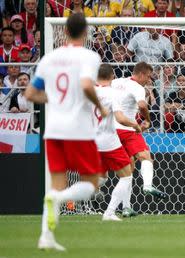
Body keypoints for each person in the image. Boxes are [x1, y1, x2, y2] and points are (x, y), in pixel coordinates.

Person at [24, 13, 107, 251]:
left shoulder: (49, 59)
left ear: (65, 31)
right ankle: (57, 200)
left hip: (53, 130)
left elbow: (30, 94)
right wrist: (99, 105)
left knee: (56, 184)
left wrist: (52, 99)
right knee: (92, 183)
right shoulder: (89, 56)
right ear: (85, 32)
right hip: (79, 130)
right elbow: (84, 85)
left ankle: (46, 237)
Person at [111, 62, 168, 213]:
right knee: (145, 156)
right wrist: (148, 120)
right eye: (148, 77)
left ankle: (126, 207)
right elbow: (142, 106)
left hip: (110, 130)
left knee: (127, 171)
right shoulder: (137, 87)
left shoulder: (117, 82)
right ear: (141, 74)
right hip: (128, 129)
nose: (149, 80)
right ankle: (148, 185)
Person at [94, 64, 142, 221]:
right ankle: (109, 212)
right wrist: (135, 124)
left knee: (102, 177)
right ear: (112, 76)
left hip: (91, 141)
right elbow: (120, 118)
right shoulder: (112, 93)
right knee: (126, 176)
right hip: (108, 141)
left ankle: (77, 193)